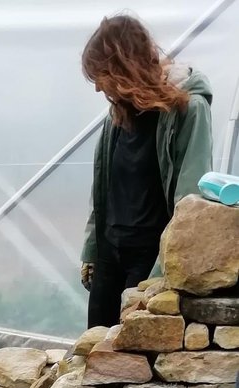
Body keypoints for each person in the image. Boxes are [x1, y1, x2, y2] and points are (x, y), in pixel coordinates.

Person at [80, 14, 213, 327]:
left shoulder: (188, 109)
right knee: (95, 348)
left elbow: (189, 199)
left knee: (132, 348)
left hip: (150, 258)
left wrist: (163, 272)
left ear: (124, 67)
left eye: (101, 75)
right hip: (110, 255)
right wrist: (92, 250)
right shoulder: (116, 116)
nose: (98, 87)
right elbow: (103, 189)